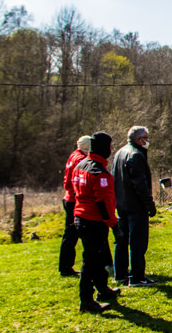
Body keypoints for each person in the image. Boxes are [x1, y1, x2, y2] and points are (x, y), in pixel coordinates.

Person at [72, 132, 121, 313]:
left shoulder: (81, 164)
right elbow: (103, 203)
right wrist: (114, 224)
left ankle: (103, 290)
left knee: (99, 256)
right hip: (93, 220)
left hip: (81, 217)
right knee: (91, 261)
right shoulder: (99, 172)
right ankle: (86, 300)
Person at [112, 126, 157, 286]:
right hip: (135, 205)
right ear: (140, 140)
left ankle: (120, 274)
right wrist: (149, 204)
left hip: (121, 203)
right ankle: (136, 276)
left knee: (121, 240)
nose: (148, 140)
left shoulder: (119, 153)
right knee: (138, 241)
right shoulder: (136, 155)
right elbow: (140, 184)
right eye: (146, 137)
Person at [59, 135, 91, 277]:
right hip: (74, 198)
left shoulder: (73, 155)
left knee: (70, 234)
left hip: (69, 196)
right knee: (72, 234)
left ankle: (66, 266)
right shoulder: (81, 159)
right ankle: (66, 267)